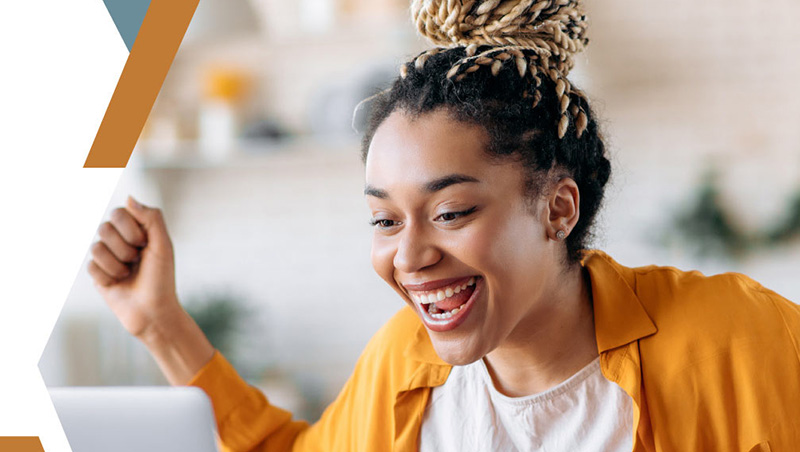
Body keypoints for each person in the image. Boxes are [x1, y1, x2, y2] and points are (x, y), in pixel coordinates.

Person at [87, 0, 800, 450]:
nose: (411, 255)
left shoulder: (735, 340)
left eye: (452, 211)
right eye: (384, 219)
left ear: (558, 207)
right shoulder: (408, 365)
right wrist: (159, 324)